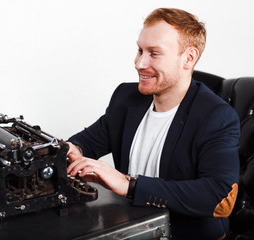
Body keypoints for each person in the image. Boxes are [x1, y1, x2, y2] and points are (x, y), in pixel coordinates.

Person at [66, 8, 240, 240]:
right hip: (133, 229)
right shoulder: (126, 97)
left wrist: (130, 185)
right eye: (140, 50)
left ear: (189, 58)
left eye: (154, 53)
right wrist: (71, 151)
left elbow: (220, 198)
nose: (139, 63)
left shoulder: (217, 116)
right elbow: (87, 142)